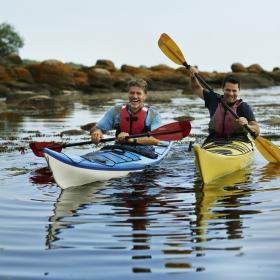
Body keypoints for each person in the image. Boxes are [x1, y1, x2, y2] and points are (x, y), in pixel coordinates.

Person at [189, 67, 260, 141]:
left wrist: (247, 126)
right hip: (214, 140)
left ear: (239, 91)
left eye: (234, 91)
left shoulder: (243, 107)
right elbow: (196, 88)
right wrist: (193, 77)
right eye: (228, 90)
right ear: (223, 88)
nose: (231, 93)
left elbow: (257, 130)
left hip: (237, 141)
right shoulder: (214, 99)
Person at [90, 79, 161, 146]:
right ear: (128, 94)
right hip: (119, 148)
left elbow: (156, 139)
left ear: (145, 96)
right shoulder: (116, 111)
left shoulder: (153, 115)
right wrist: (97, 133)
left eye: (139, 93)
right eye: (132, 93)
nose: (135, 96)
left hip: (144, 150)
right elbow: (97, 128)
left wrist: (131, 139)